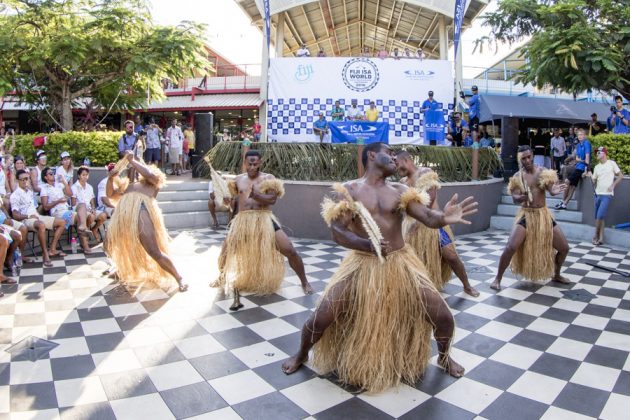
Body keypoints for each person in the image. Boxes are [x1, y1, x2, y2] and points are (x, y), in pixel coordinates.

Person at [282, 142, 477, 392]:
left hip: (400, 261)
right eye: (390, 154)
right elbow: (338, 232)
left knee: (443, 316)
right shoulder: (349, 190)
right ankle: (301, 353)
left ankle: (443, 356)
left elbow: (428, 217)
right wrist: (367, 245)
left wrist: (444, 217)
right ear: (373, 155)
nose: (395, 159)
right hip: (362, 264)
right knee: (321, 317)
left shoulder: (400, 190)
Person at [214, 150, 313, 310]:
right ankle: (221, 277)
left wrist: (257, 195)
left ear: (260, 163)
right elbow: (234, 204)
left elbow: (272, 200)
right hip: (243, 220)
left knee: (289, 249)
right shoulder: (238, 180)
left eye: (255, 163)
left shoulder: (268, 179)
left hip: (264, 219)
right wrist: (228, 202)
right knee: (225, 250)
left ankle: (304, 282)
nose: (252, 166)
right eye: (249, 163)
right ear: (245, 163)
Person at [395, 151, 479, 297]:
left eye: (397, 163)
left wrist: (416, 220)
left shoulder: (425, 172)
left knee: (451, 255)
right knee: (416, 261)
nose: (396, 168)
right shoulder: (402, 183)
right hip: (412, 231)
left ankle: (467, 285)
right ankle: (417, 291)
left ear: (407, 159)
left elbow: (429, 199)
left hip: (433, 225)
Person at [106, 151, 188, 292]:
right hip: (124, 219)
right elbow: (111, 195)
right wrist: (110, 178)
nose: (141, 171)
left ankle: (179, 277)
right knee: (108, 244)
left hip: (142, 214)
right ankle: (121, 269)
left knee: (154, 251)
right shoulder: (130, 186)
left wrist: (132, 160)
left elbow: (149, 174)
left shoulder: (154, 183)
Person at [491, 146, 570, 290]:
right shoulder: (517, 177)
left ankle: (556, 274)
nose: (527, 160)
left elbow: (551, 190)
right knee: (511, 247)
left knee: (564, 248)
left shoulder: (543, 172)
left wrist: (554, 190)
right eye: (523, 158)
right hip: (526, 215)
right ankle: (497, 278)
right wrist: (520, 197)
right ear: (519, 159)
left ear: (532, 155)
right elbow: (515, 198)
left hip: (543, 215)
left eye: (529, 157)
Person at [11, 169, 63, 267]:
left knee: (61, 222)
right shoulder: (15, 195)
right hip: (26, 219)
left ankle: (52, 249)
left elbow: (35, 208)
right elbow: (15, 215)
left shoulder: (29, 192)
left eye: (27, 179)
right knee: (41, 225)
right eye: (23, 179)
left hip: (36, 216)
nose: (25, 181)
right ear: (18, 180)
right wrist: (28, 216)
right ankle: (45, 254)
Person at [40, 166, 92, 254]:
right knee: (80, 217)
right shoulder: (44, 188)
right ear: (46, 177)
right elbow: (45, 207)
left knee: (82, 205)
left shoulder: (58, 185)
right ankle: (85, 244)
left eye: (53, 173)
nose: (53, 175)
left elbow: (70, 193)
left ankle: (83, 227)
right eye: (50, 174)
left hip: (66, 209)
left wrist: (64, 181)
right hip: (57, 212)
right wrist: (58, 201)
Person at [587, 147, 623, 246]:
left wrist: (613, 185)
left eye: (599, 152)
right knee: (600, 217)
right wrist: (589, 175)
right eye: (596, 153)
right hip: (597, 194)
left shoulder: (612, 163)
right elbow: (593, 181)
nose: (597, 154)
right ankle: (601, 239)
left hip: (607, 195)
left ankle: (595, 235)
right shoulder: (597, 167)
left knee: (599, 216)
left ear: (604, 153)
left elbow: (620, 175)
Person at [557, 128, 591, 210]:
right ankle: (564, 204)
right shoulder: (579, 145)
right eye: (578, 135)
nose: (580, 136)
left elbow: (587, 159)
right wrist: (580, 160)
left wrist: (586, 169)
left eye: (581, 135)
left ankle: (562, 201)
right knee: (572, 186)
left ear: (585, 136)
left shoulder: (587, 143)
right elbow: (576, 158)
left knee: (567, 181)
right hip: (577, 166)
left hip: (581, 168)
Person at [72, 166, 107, 243]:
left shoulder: (89, 187)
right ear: (79, 176)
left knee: (103, 216)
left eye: (87, 175)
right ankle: (84, 234)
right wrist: (86, 209)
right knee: (91, 216)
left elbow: (92, 201)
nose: (85, 177)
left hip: (89, 209)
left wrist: (93, 208)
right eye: (83, 175)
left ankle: (94, 229)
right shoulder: (74, 187)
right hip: (80, 210)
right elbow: (73, 204)